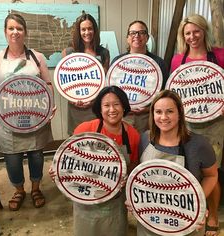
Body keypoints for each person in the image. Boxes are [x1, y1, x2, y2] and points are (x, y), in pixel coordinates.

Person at [50, 85, 140, 236]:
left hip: (115, 203)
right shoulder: (84, 129)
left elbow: (133, 166)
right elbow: (68, 160)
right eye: (106, 105)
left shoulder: (132, 135)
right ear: (99, 108)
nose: (112, 109)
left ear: (124, 106)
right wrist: (57, 170)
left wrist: (126, 178)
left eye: (117, 104)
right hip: (85, 200)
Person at [0, 14, 55, 211]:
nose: (15, 32)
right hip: (8, 120)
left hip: (35, 117)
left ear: (25, 32)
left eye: (19, 28)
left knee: (36, 155)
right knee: (12, 159)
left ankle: (35, 188)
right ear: (5, 32)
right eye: (11, 28)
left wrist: (49, 104)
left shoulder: (37, 57)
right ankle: (19, 190)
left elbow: (47, 84)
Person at [131, 89, 218, 236]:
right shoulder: (145, 139)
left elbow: (211, 176)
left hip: (185, 220)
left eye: (170, 111)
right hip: (150, 219)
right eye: (158, 112)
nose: (163, 117)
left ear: (179, 113)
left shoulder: (199, 144)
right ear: (153, 114)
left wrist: (197, 204)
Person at [170, 14, 224, 236]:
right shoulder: (178, 60)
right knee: (191, 170)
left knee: (212, 170)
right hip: (188, 124)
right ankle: (193, 211)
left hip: (215, 123)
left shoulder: (219, 55)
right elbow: (174, 93)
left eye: (196, 31)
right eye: (188, 33)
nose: (192, 37)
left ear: (204, 31)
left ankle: (212, 215)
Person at [111, 20, 169, 134]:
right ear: (127, 38)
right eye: (133, 33)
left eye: (141, 32)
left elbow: (164, 94)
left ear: (147, 37)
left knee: (146, 148)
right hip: (123, 115)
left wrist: (148, 108)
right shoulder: (117, 62)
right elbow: (112, 92)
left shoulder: (158, 63)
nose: (136, 36)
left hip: (147, 116)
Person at [62, 13, 110, 135]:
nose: (87, 32)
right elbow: (64, 81)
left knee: (96, 140)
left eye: (90, 28)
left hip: (96, 106)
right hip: (76, 107)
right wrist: (72, 99)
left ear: (95, 30)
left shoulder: (104, 53)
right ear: (78, 31)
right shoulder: (68, 52)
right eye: (83, 29)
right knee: (77, 143)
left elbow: (106, 83)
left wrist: (94, 100)